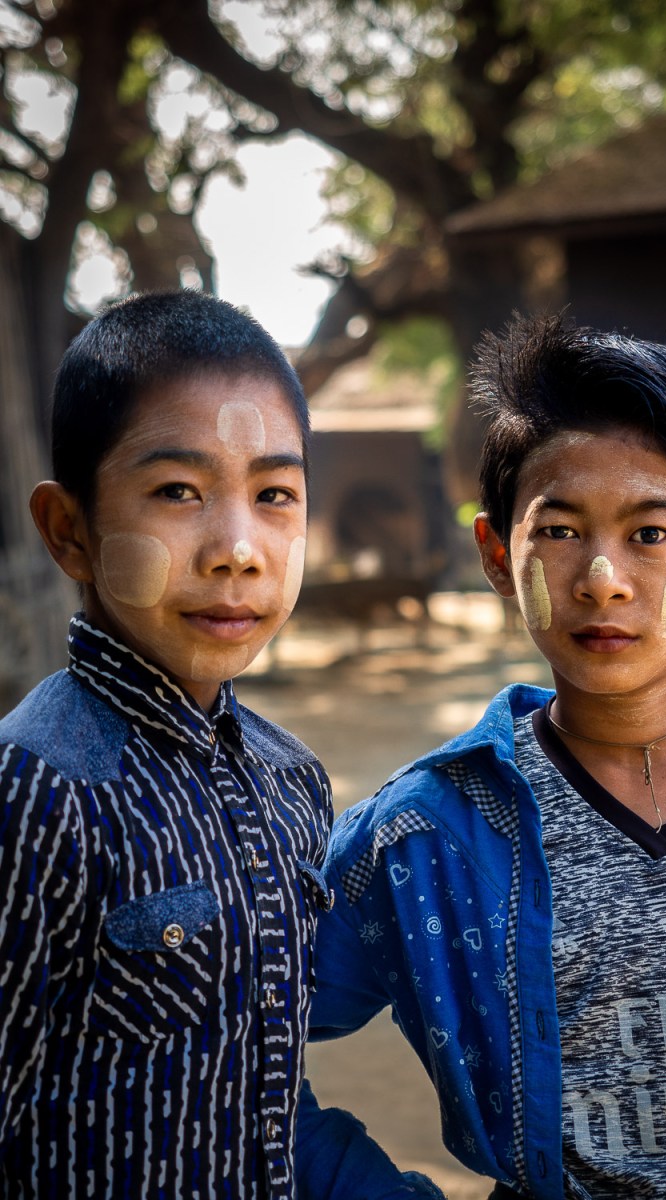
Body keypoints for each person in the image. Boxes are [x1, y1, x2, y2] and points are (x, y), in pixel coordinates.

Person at [297, 312, 666, 1199]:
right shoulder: (427, 834)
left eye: (651, 534)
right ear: (499, 555)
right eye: (560, 531)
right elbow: (228, 1037)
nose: (601, 576)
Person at [0, 290, 334, 1199]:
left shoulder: (292, 781)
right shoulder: (35, 790)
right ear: (69, 529)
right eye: (178, 491)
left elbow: (271, 1088)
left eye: (274, 495)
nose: (237, 549)